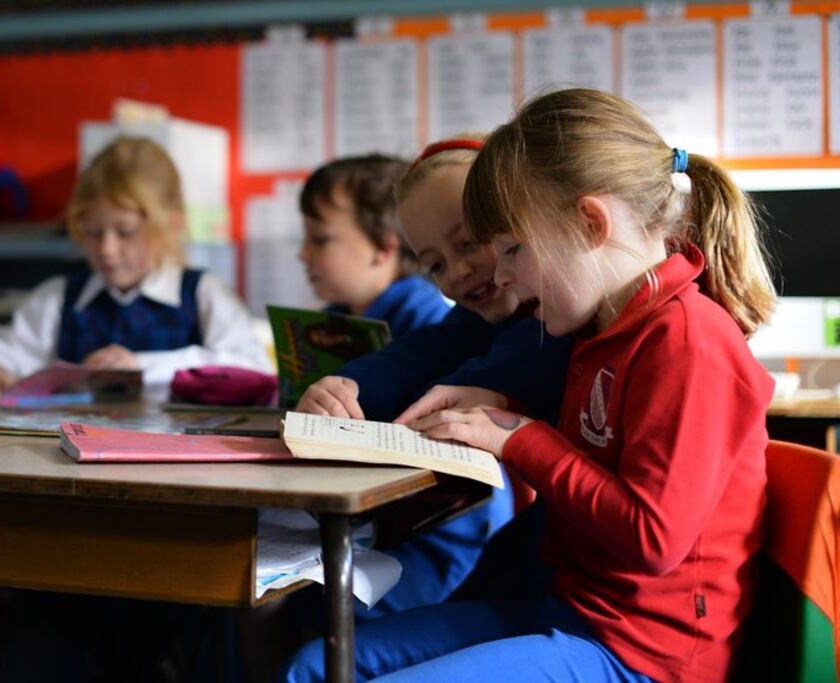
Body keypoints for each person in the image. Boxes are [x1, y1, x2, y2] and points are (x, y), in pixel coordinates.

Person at [288, 88, 776, 682]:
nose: (501, 275)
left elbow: (654, 538)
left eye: (512, 250)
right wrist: (502, 409)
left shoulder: (689, 338)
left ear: (591, 223)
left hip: (644, 657)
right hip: (573, 615)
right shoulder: (600, 332)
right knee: (316, 664)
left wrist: (520, 436)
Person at [295, 136, 571, 617]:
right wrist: (348, 384)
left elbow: (462, 382)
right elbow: (416, 355)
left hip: (530, 564)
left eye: (468, 243)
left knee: (323, 627)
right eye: (435, 265)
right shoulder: (476, 318)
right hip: (525, 555)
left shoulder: (554, 324)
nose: (459, 271)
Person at [0, 136, 269, 398]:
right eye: (93, 232)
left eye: (126, 232)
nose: (106, 249)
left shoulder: (203, 294)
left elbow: (254, 368)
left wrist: (143, 366)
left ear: (172, 225)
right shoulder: (61, 297)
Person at [299, 154, 449, 338]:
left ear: (383, 247)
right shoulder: (332, 318)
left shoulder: (429, 320)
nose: (303, 255)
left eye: (320, 239)